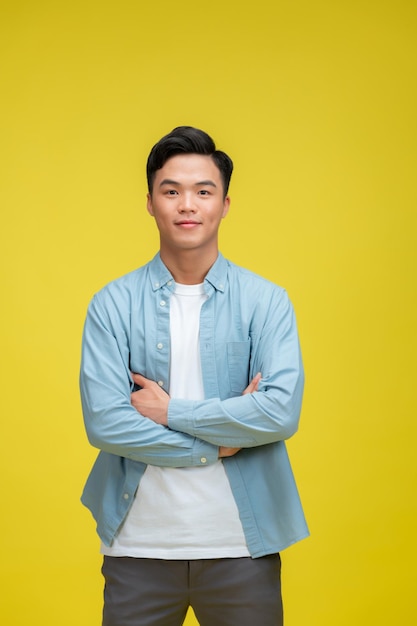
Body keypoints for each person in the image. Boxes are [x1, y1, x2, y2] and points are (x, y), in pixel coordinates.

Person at [80, 126, 308, 626]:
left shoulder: (265, 302)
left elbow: (278, 411)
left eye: (203, 191)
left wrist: (169, 411)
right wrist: (217, 444)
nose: (188, 204)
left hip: (241, 547)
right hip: (137, 548)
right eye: (172, 190)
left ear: (224, 204)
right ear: (150, 202)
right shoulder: (112, 305)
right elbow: (105, 424)